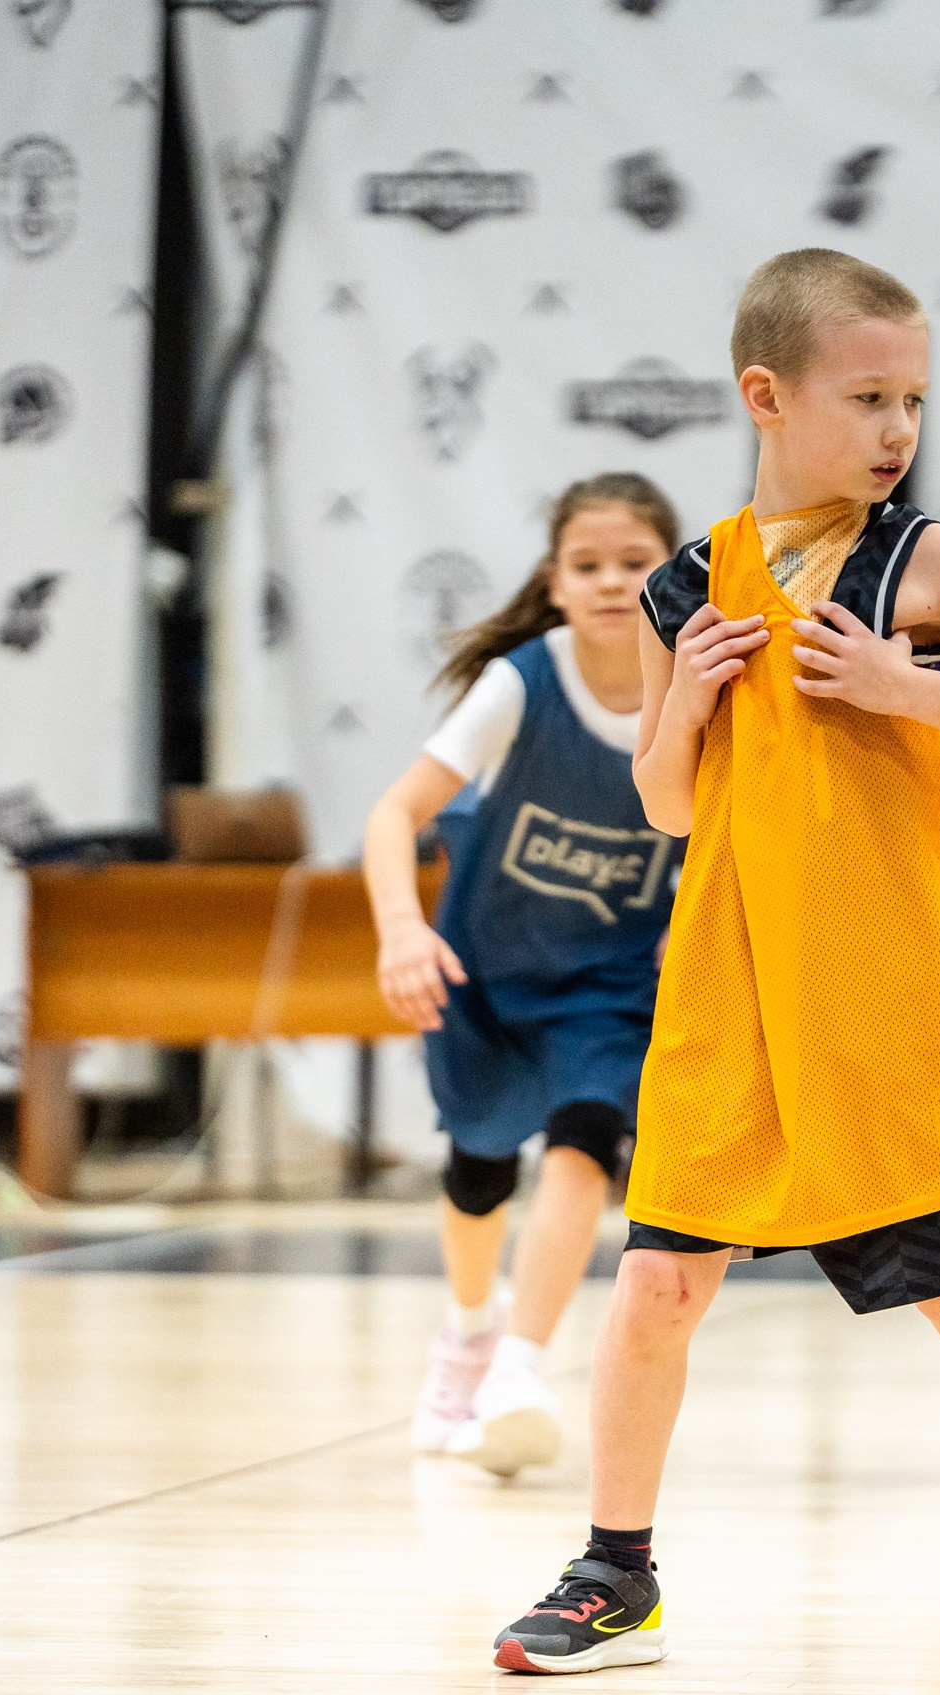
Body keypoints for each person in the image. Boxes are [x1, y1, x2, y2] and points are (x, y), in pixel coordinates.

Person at [489, 249, 940, 1681]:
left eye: (913, 399)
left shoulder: (929, 562)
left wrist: (913, 689)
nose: (899, 429)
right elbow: (671, 804)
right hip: (737, 993)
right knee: (655, 1287)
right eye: (870, 397)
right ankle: (615, 1570)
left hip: (901, 994)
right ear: (765, 395)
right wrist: (687, 706)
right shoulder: (683, 588)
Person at [363, 472, 682, 1479]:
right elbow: (390, 816)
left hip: (609, 985)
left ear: (672, 576)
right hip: (487, 971)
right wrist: (401, 933)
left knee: (587, 1144)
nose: (609, 582)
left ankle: (518, 1369)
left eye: (634, 563)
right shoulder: (521, 682)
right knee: (477, 1170)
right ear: (553, 582)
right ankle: (466, 1335)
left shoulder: (698, 694)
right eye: (587, 565)